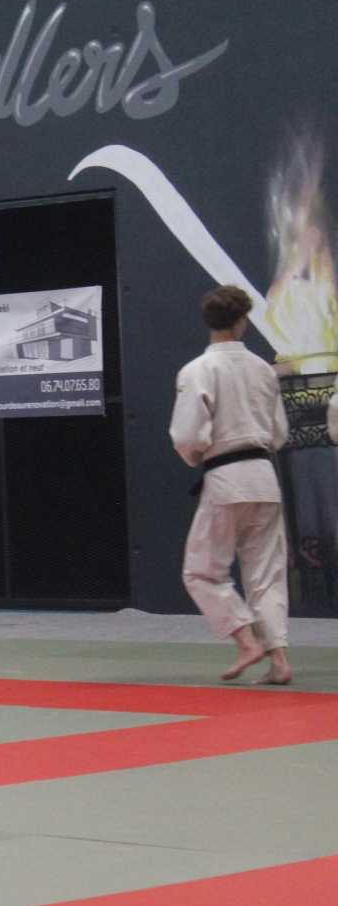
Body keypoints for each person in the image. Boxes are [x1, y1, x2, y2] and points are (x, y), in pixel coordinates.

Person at [170, 284, 293, 684]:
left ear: (209, 320)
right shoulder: (263, 370)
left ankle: (245, 640)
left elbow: (188, 436)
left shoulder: (197, 370)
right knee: (267, 574)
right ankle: (280, 662)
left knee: (202, 572)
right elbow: (278, 434)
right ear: (242, 321)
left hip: (226, 478)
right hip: (264, 477)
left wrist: (196, 457)